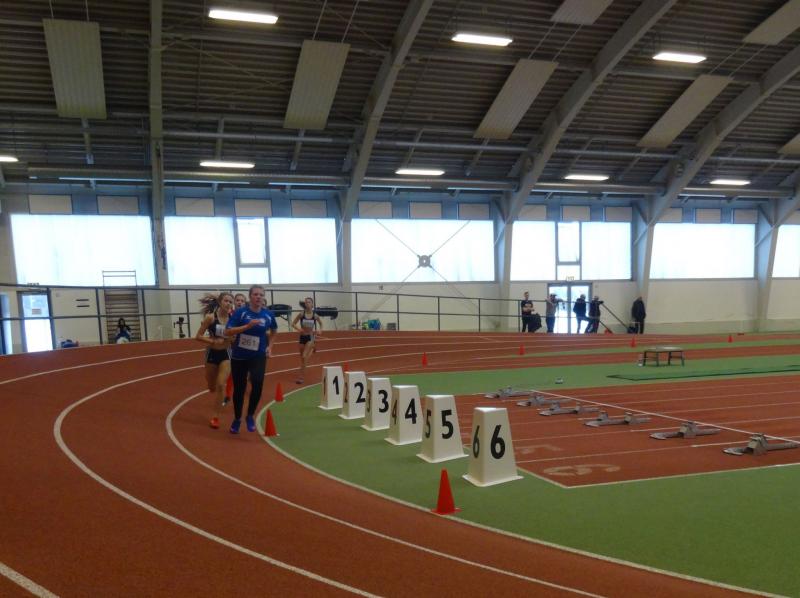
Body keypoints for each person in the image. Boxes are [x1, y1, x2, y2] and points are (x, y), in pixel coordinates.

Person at [225, 285, 278, 434]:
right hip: (239, 356)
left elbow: (274, 330)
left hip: (258, 355)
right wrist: (247, 326)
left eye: (261, 294)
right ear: (250, 297)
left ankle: (250, 415)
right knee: (239, 389)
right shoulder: (241, 313)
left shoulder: (268, 314)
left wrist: (270, 347)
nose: (258, 297)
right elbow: (228, 331)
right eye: (255, 294)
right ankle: (237, 419)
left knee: (258, 382)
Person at [195, 292, 234, 429]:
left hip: (226, 354)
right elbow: (198, 336)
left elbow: (236, 337)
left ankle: (215, 417)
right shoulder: (211, 318)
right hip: (211, 354)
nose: (228, 304)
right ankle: (211, 384)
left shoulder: (233, 319)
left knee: (221, 385)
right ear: (220, 302)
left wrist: (232, 339)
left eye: (230, 302)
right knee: (212, 386)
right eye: (226, 301)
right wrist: (212, 341)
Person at [292, 297, 323, 384]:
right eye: (306, 302)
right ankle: (312, 348)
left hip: (310, 337)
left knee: (304, 356)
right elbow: (293, 323)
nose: (307, 303)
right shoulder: (301, 314)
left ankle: (301, 377)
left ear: (312, 304)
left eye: (309, 302)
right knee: (302, 359)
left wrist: (320, 330)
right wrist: (299, 329)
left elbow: (321, 323)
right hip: (302, 337)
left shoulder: (315, 316)